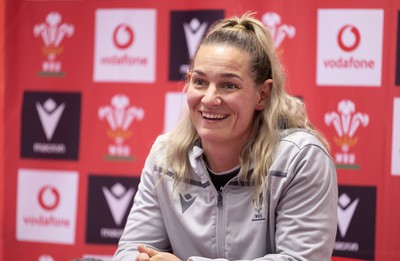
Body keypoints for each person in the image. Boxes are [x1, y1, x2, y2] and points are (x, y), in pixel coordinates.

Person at [113, 12, 338, 261]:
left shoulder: (300, 159)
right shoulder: (165, 156)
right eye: (200, 82)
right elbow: (131, 248)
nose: (209, 99)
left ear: (262, 95)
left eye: (229, 85)